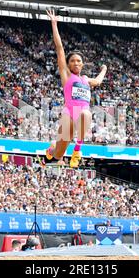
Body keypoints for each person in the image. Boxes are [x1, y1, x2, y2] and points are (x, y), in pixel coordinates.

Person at [44, 9, 108, 168]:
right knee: (57, 155)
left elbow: (98, 82)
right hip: (68, 115)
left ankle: (77, 150)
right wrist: (54, 24)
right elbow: (59, 49)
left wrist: (104, 69)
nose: (76, 63)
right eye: (72, 61)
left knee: (87, 113)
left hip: (82, 117)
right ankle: (51, 150)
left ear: (82, 64)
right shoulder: (67, 76)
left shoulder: (86, 80)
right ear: (68, 64)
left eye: (78, 61)